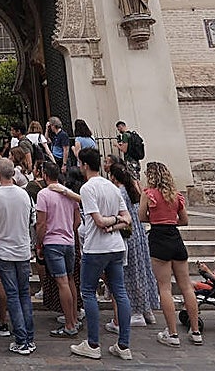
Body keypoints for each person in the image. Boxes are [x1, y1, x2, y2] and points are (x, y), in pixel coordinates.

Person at [72, 147, 133, 361]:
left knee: (88, 291)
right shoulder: (112, 187)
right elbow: (126, 218)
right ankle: (123, 344)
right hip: (116, 246)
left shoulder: (88, 188)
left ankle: (93, 343)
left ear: (85, 165)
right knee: (120, 292)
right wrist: (115, 221)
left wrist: (109, 222)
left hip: (96, 247)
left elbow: (97, 221)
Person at [140, 161, 201, 347]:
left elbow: (141, 217)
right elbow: (184, 220)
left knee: (164, 288)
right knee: (186, 286)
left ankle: (173, 333)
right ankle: (196, 330)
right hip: (175, 237)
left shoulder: (149, 195)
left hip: (158, 238)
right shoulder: (176, 196)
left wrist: (156, 217)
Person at [0, 158, 36, 355]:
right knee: (24, 294)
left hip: (4, 250)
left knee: (13, 294)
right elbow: (33, 220)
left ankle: (22, 339)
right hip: (22, 250)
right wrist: (29, 244)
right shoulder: (25, 195)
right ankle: (28, 336)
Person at [108, 160, 158, 329]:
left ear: (114, 177)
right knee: (142, 270)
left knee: (130, 274)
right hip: (139, 234)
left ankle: (136, 312)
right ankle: (147, 309)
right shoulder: (132, 190)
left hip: (128, 236)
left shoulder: (119, 193)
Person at [36, 160, 82, 338]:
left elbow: (41, 223)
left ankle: (69, 324)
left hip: (53, 241)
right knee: (70, 280)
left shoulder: (43, 194)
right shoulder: (68, 194)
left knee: (62, 282)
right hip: (69, 241)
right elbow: (77, 220)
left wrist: (39, 243)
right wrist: (68, 229)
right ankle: (74, 317)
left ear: (45, 175)